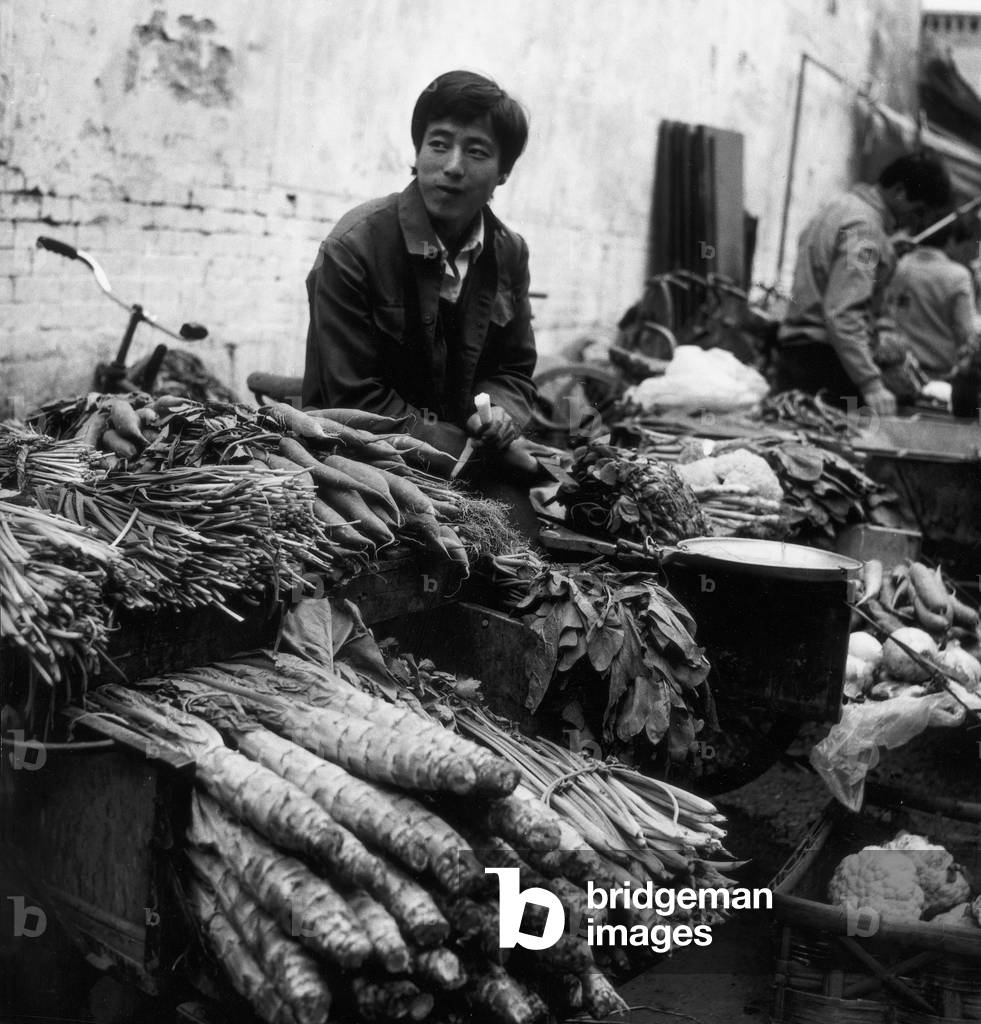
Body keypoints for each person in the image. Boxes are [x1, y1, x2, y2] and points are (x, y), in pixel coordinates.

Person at [302, 70, 537, 471]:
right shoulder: (353, 247)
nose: (453, 166)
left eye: (477, 151)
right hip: (357, 459)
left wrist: (497, 412)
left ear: (503, 173)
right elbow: (354, 398)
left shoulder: (508, 251)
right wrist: (462, 446)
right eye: (439, 144)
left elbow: (514, 369)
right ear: (418, 152)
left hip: (468, 457)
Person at [775, 152, 952, 416]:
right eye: (919, 212)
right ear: (900, 192)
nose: (918, 223)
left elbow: (835, 274)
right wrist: (871, 384)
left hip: (798, 355)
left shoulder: (840, 208)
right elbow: (843, 313)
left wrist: (885, 254)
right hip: (826, 364)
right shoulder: (866, 230)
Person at [886, 215, 978, 381]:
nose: (970, 251)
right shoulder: (958, 275)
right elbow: (965, 332)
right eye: (966, 245)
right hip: (935, 375)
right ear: (951, 241)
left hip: (893, 369)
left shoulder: (900, 263)